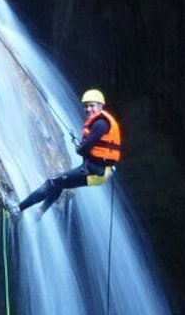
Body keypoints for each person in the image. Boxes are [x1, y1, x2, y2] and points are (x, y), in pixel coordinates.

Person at [8, 88, 121, 219]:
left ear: (101, 106)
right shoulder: (102, 123)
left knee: (52, 182)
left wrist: (79, 148)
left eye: (92, 106)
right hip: (98, 171)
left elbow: (83, 150)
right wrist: (83, 146)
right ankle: (39, 213)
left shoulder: (100, 124)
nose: (88, 109)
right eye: (86, 106)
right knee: (59, 182)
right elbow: (92, 146)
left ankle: (17, 209)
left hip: (94, 171)